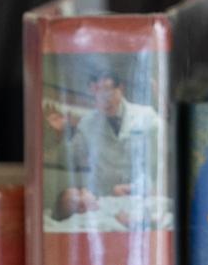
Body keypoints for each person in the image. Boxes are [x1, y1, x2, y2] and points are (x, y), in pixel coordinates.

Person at [48, 56, 162, 227]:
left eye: (108, 90)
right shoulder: (87, 124)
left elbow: (162, 161)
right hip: (105, 201)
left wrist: (141, 189)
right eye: (98, 92)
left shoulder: (147, 117)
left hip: (144, 195)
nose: (104, 98)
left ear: (120, 88)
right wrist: (60, 134)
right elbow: (69, 159)